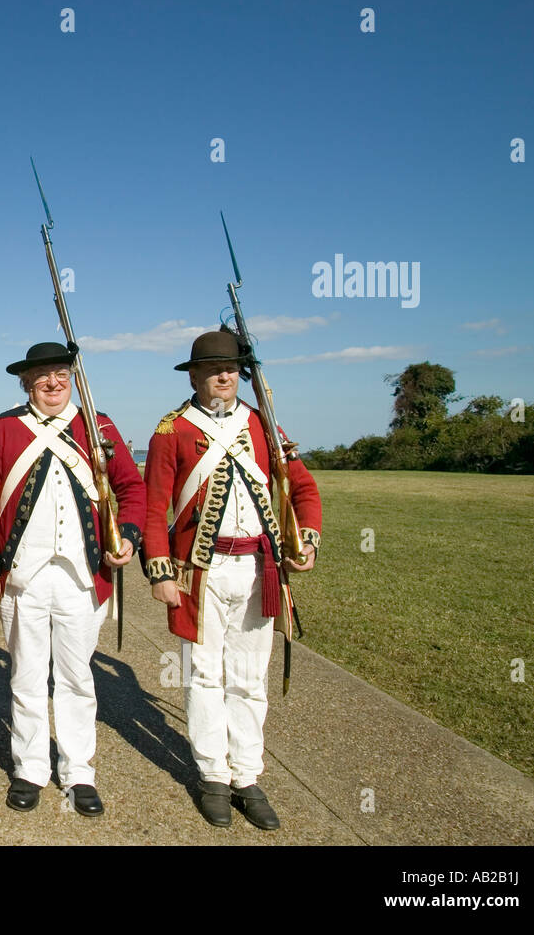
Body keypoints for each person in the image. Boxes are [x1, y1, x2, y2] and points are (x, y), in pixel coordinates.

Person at [142, 330, 321, 830]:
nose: (224, 376)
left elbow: (302, 488)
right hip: (199, 573)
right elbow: (156, 506)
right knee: (204, 675)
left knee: (248, 678)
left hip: (258, 567)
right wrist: (159, 570)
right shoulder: (171, 430)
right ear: (194, 375)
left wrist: (304, 541)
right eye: (214, 369)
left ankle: (247, 775)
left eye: (233, 369)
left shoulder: (263, 425)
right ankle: (212, 775)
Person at [0, 341, 145, 816]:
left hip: (83, 575)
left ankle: (78, 771)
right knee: (25, 677)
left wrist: (128, 534)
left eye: (60, 375)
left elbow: (132, 487)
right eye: (42, 376)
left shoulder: (98, 423)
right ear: (27, 383)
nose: (52, 383)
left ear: (71, 380)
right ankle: (30, 768)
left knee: (76, 678)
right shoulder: (5, 427)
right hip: (22, 576)